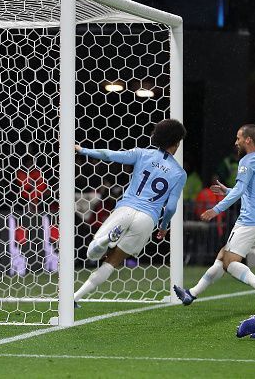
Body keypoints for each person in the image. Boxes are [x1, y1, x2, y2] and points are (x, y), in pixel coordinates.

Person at [73, 119, 187, 305]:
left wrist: (83, 150)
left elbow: (109, 155)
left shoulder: (141, 154)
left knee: (91, 254)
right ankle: (76, 297)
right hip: (148, 218)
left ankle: (105, 240)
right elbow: (172, 207)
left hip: (126, 209)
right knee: (113, 261)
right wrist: (163, 226)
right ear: (176, 143)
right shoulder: (179, 173)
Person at [173, 124, 255, 313]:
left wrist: (216, 209)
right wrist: (227, 190)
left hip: (249, 222)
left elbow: (240, 190)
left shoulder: (247, 161)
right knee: (222, 257)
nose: (236, 142)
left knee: (229, 262)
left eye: (238, 138)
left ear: (248, 140)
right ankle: (191, 294)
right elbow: (254, 193)